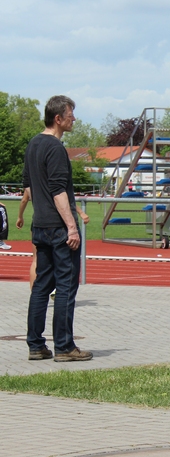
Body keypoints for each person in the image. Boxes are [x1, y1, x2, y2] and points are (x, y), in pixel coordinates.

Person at [22, 95, 92, 362]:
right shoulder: (55, 148)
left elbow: (29, 187)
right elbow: (58, 190)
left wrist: (41, 212)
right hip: (59, 229)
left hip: (40, 225)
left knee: (41, 286)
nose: (74, 119)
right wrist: (71, 227)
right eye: (70, 115)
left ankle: (36, 345)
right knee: (65, 286)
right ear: (58, 118)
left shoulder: (33, 145)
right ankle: (64, 346)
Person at [17, 187, 90, 289]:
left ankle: (35, 293)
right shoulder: (51, 184)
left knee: (36, 260)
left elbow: (24, 200)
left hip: (38, 222)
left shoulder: (33, 183)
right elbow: (64, 200)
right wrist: (81, 212)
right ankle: (56, 290)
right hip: (56, 222)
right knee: (59, 260)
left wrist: (20, 216)